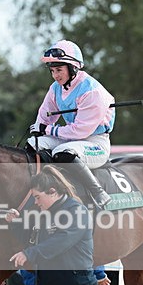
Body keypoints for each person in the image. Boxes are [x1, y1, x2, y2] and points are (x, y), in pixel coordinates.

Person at [28, 39, 115, 209]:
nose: (55, 75)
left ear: (73, 68)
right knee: (33, 145)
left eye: (59, 70)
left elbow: (79, 132)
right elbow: (44, 116)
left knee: (63, 152)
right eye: (52, 71)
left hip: (95, 143)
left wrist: (47, 129)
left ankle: (98, 193)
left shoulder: (92, 92)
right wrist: (39, 129)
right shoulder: (55, 88)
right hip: (71, 139)